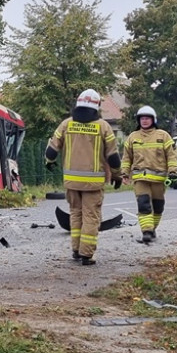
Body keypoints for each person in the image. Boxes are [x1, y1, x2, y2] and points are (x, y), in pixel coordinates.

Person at [45, 89, 121, 266]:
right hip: (93, 183)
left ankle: (75, 250)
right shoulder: (103, 126)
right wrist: (117, 175)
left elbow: (51, 150)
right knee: (91, 217)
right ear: (97, 106)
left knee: (75, 214)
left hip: (71, 182)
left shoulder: (66, 124)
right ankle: (86, 254)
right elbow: (113, 156)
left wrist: (49, 162)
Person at [120, 105, 177, 243]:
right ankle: (146, 231)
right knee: (143, 204)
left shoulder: (163, 136)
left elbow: (172, 156)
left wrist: (173, 172)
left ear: (153, 120)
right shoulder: (133, 137)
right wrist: (124, 173)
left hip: (158, 179)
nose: (144, 121)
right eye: (142, 118)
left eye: (147, 118)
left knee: (158, 207)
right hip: (140, 179)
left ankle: (152, 229)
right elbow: (127, 158)